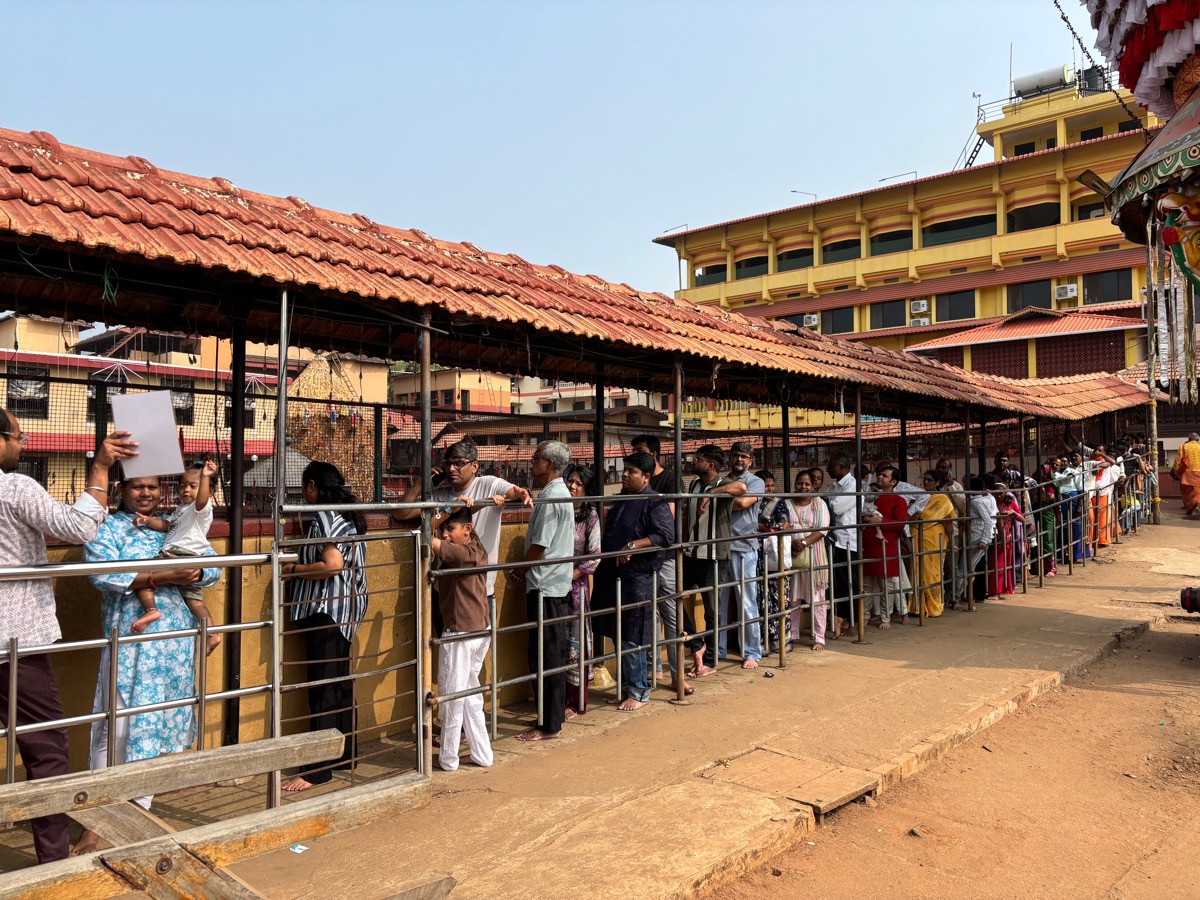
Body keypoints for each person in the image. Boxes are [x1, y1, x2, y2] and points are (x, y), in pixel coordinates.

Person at [0, 410, 136, 864]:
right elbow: (77, 527)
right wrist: (99, 469)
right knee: (48, 750)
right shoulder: (14, 487)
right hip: (15, 642)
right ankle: (52, 862)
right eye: (19, 436)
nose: (23, 444)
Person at [77, 473, 222, 854]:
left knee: (157, 731)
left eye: (153, 487)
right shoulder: (107, 527)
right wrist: (164, 575)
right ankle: (96, 824)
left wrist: (192, 572)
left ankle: (138, 815)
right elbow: (99, 573)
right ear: (120, 491)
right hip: (130, 642)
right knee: (115, 729)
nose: (146, 493)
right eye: (137, 487)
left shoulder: (176, 522)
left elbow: (213, 565)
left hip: (174, 647)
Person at [279, 461, 369, 791]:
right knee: (339, 682)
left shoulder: (325, 516)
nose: (303, 495)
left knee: (322, 687)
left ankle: (317, 769)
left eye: (304, 488)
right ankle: (345, 754)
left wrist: (293, 571)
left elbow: (332, 565)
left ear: (313, 486)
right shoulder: (348, 514)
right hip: (347, 607)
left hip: (327, 609)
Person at [393, 440, 532, 625]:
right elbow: (400, 512)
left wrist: (520, 492)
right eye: (448, 463)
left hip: (479, 590)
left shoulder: (488, 484)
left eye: (458, 463)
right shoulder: (439, 494)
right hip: (446, 588)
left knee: (476, 650)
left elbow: (512, 491)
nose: (451, 468)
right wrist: (421, 484)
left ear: (474, 466)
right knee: (447, 647)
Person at [591, 453, 674, 711]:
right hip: (613, 579)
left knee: (633, 637)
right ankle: (627, 687)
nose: (625, 474)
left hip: (636, 580)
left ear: (646, 477)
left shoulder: (653, 503)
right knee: (619, 634)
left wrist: (633, 545)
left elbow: (665, 536)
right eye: (624, 470)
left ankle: (639, 691)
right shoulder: (623, 500)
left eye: (632, 471)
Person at [513, 441, 574, 742]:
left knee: (546, 654)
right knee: (548, 652)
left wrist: (520, 568)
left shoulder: (553, 497)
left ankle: (549, 723)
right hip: (552, 583)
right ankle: (550, 714)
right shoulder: (555, 494)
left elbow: (541, 544)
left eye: (536, 458)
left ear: (549, 464)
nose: (531, 461)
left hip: (546, 585)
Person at [131, 458, 222, 653]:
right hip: (189, 557)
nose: (185, 490)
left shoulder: (201, 510)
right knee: (195, 601)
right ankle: (212, 633)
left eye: (192, 486)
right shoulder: (181, 510)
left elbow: (202, 500)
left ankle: (151, 609)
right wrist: (148, 520)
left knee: (143, 575)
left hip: (181, 553)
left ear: (208, 490)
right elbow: (166, 525)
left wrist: (205, 477)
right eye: (182, 485)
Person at [428, 503, 493, 772]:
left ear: (467, 530)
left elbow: (429, 537)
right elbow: (443, 535)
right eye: (444, 529)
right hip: (477, 631)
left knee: (453, 696)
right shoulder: (476, 545)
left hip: (461, 633)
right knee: (469, 696)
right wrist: (461, 507)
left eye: (450, 529)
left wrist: (437, 519)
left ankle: (448, 758)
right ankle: (482, 754)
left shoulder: (462, 553)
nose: (444, 534)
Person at [681, 444, 743, 678]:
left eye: (698, 459)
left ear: (710, 465)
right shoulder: (694, 484)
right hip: (692, 554)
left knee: (711, 610)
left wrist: (713, 494)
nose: (693, 462)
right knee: (671, 597)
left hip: (715, 556)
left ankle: (709, 660)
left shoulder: (723, 484)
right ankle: (697, 644)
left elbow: (742, 487)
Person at [631, 434, 685, 693]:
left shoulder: (670, 479)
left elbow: (668, 518)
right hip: (643, 561)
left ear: (653, 455)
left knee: (671, 616)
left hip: (666, 557)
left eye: (640, 452)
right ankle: (655, 670)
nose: (635, 458)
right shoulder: (631, 486)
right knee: (647, 618)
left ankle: (678, 675)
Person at [724, 442, 765, 669]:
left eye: (743, 456)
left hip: (744, 548)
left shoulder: (755, 481)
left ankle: (752, 652)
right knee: (718, 603)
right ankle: (718, 650)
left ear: (750, 460)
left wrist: (716, 501)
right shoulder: (723, 481)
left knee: (746, 602)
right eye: (735, 455)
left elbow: (741, 503)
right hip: (720, 547)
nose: (739, 459)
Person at [563, 464, 600, 716]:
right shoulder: (559, 510)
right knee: (558, 643)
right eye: (570, 482)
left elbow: (594, 555)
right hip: (555, 585)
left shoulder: (591, 515)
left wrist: (570, 578)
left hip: (575, 587)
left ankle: (577, 702)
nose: (572, 487)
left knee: (576, 643)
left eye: (578, 484)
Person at [787, 470, 833, 650]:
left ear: (813, 486)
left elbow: (823, 529)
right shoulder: (787, 503)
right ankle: (793, 633)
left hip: (814, 554)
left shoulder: (819, 503)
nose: (803, 487)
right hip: (791, 554)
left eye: (807, 484)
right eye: (800, 483)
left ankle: (819, 637)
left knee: (817, 597)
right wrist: (791, 543)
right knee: (792, 597)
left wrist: (804, 542)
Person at [861, 465, 908, 629]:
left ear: (893, 482)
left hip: (886, 546)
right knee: (866, 584)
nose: (880, 477)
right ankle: (865, 615)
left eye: (885, 476)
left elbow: (901, 524)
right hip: (868, 544)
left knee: (885, 584)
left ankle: (885, 617)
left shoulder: (899, 500)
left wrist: (880, 522)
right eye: (879, 475)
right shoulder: (870, 497)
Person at [757, 478, 792, 654]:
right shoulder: (753, 502)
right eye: (766, 486)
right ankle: (765, 641)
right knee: (762, 600)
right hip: (757, 555)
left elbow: (784, 524)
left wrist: (764, 527)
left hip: (775, 555)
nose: (769, 489)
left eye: (771, 485)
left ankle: (783, 640)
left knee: (779, 596)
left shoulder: (779, 503)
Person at [825, 454, 860, 631]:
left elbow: (834, 508)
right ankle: (843, 617)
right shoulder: (833, 487)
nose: (828, 469)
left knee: (850, 582)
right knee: (838, 582)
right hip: (835, 539)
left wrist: (826, 505)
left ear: (841, 466)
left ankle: (853, 620)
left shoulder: (852, 485)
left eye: (831, 466)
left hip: (847, 540)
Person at [911, 470, 953, 618]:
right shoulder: (919, 497)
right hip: (916, 536)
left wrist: (952, 542)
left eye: (930, 480)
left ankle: (933, 606)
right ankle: (917, 606)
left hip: (934, 538)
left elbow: (948, 522)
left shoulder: (942, 499)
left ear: (937, 483)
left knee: (931, 572)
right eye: (925, 479)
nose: (926, 482)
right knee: (916, 569)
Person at [959, 475, 998, 607]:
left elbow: (987, 520)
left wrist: (984, 540)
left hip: (977, 537)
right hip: (982, 536)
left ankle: (954, 595)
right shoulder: (990, 498)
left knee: (963, 569)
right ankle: (959, 594)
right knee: (970, 568)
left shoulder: (976, 502)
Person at [988, 485, 1026, 599]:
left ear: (1005, 493)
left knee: (1000, 564)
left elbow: (1022, 519)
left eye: (1001, 493)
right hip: (991, 536)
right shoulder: (990, 503)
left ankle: (997, 591)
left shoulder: (1011, 503)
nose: (998, 496)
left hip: (1005, 538)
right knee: (992, 564)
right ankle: (997, 589)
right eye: (996, 493)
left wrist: (1014, 514)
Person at [1173, 433, 1200, 516]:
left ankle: (1192, 507)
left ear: (1189, 439)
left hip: (1187, 473)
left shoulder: (1183, 446)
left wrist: (1176, 472)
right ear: (1198, 440)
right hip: (1198, 473)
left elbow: (1178, 460)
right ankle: (1196, 505)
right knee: (1197, 492)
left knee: (1187, 493)